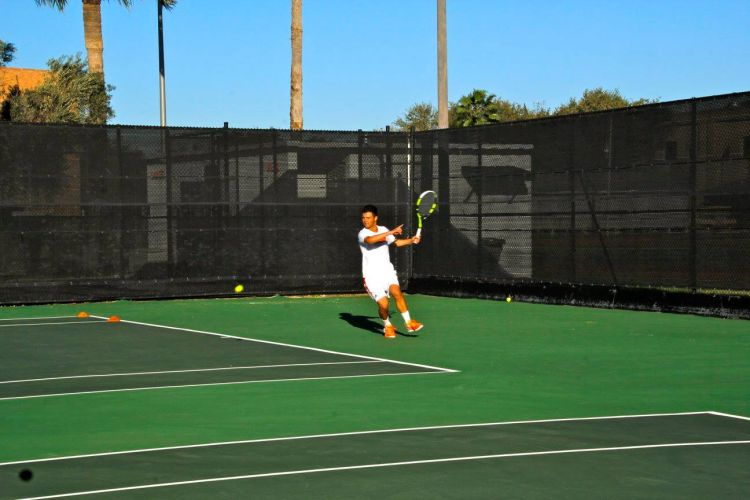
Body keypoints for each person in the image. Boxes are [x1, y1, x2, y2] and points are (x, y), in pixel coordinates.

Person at [358, 204, 423, 338]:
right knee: (384, 305)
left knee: (397, 292)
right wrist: (390, 232)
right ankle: (387, 325)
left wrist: (411, 240)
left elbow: (396, 243)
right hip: (371, 277)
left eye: (368, 218)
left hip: (387, 272)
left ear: (376, 218)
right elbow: (370, 240)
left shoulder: (383, 229)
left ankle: (409, 323)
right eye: (363, 218)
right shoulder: (363, 233)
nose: (365, 220)